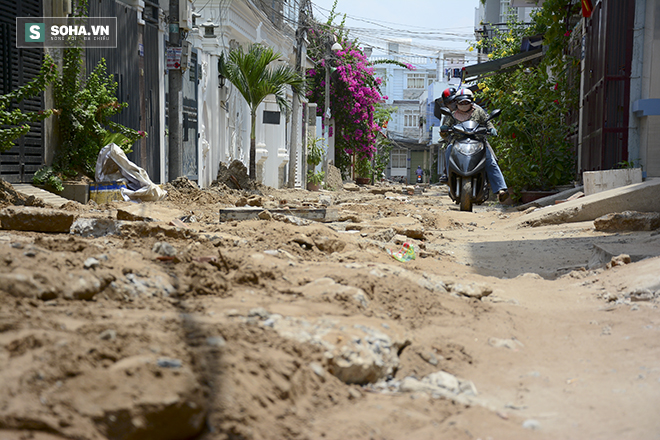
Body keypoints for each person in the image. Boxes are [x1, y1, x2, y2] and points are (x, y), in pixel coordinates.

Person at [439, 88, 509, 202]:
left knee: (490, 160)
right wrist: (444, 130)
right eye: (461, 102)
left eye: (466, 102)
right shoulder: (452, 114)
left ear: (471, 101)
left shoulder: (478, 111)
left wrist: (491, 129)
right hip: (457, 142)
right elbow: (446, 128)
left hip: (478, 141)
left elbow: (487, 121)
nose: (464, 104)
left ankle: (501, 189)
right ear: (457, 102)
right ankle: (448, 176)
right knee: (448, 150)